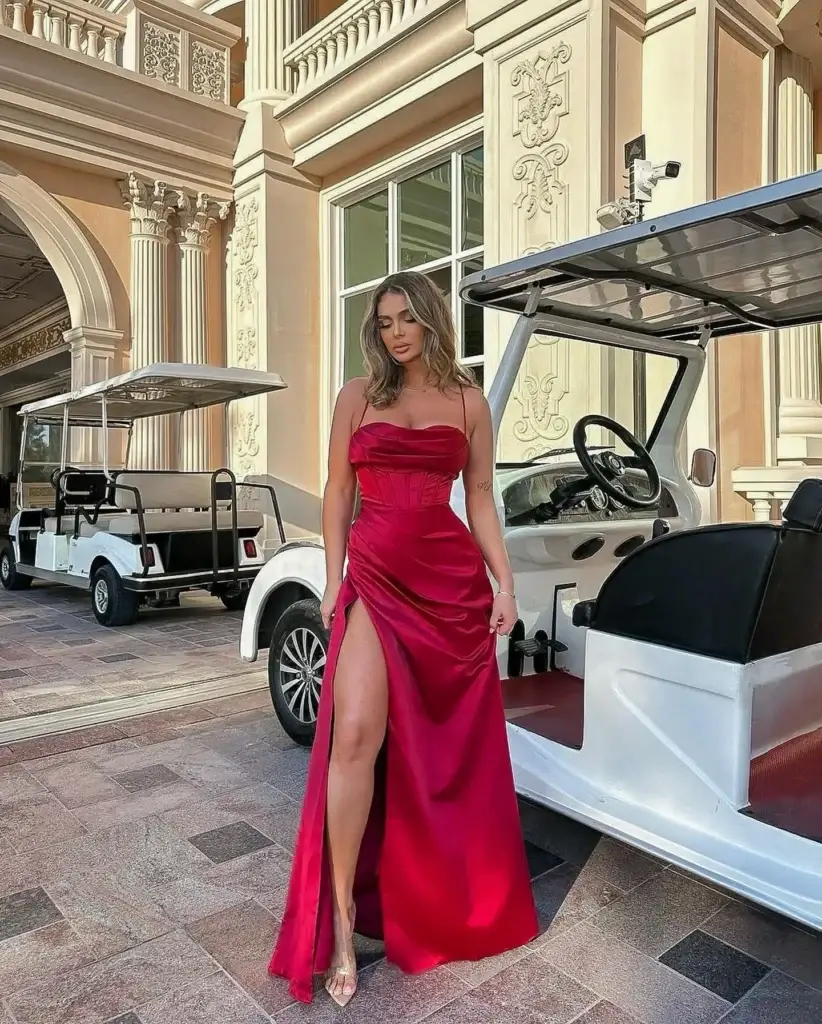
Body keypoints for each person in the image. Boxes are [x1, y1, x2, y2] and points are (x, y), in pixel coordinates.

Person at [269, 271, 538, 1006]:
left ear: (430, 321)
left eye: (406, 318)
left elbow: (479, 496)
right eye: (384, 321)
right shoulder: (358, 397)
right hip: (377, 581)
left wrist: (504, 582)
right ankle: (344, 918)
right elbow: (337, 491)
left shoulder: (468, 401)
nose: (395, 332)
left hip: (452, 587)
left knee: (445, 753)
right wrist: (334, 579)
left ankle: (444, 896)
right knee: (354, 733)